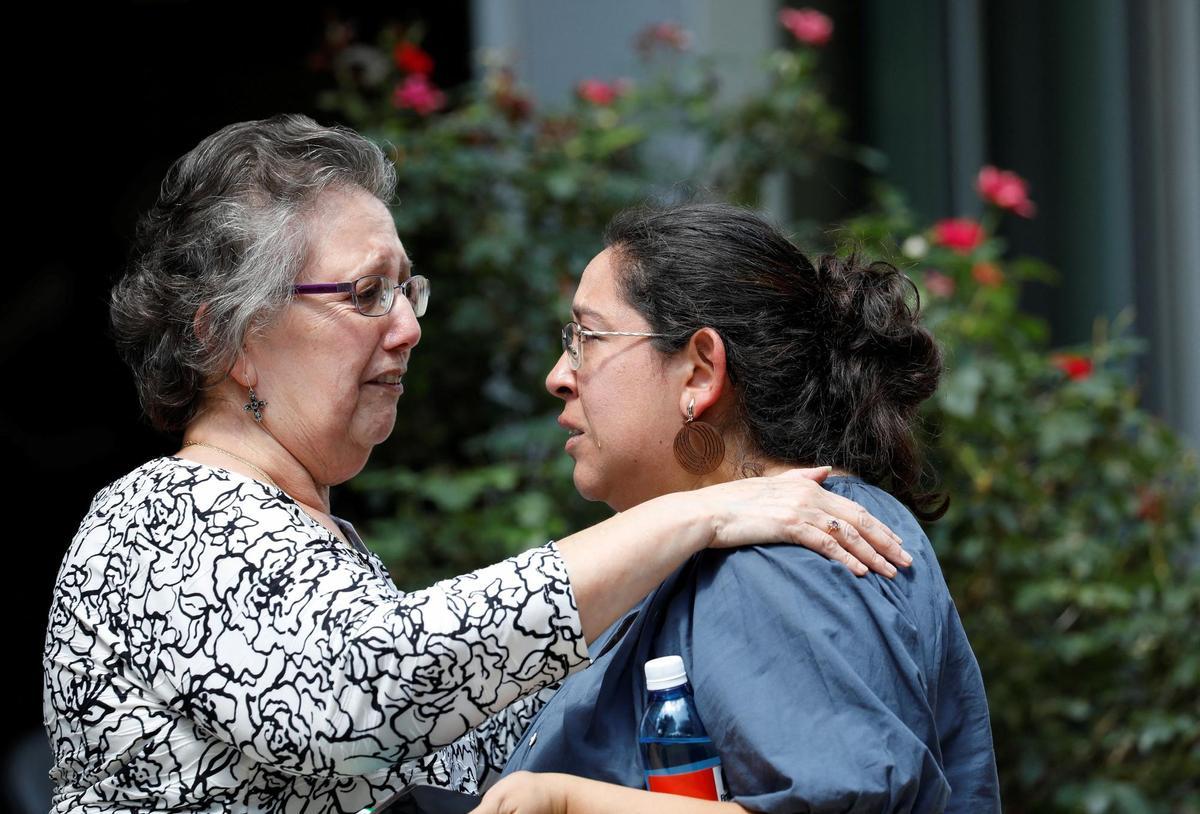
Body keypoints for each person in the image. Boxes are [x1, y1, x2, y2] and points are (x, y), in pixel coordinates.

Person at [42, 117, 910, 814]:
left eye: (407, 291)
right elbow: (363, 699)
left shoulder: (318, 546)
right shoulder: (158, 518)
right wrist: (701, 512)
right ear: (229, 336)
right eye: (364, 293)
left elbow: (484, 746)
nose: (409, 326)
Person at [476, 203, 1002, 813]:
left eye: (586, 338)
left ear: (700, 370)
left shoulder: (787, 552)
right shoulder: (726, 549)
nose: (559, 376)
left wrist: (567, 805)